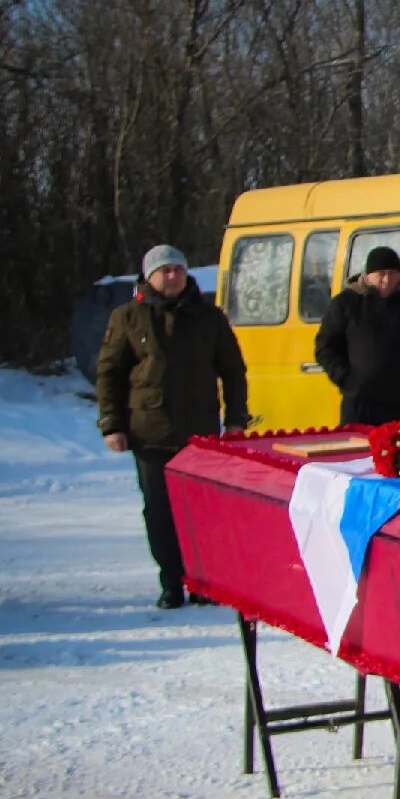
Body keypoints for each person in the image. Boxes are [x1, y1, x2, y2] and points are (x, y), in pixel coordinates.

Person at [96, 244, 250, 609]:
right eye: (163, 271)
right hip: (150, 432)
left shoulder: (209, 317)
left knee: (201, 511)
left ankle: (202, 581)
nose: (171, 277)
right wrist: (112, 425)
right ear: (148, 276)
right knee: (160, 510)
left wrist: (236, 419)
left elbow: (232, 369)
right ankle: (171, 580)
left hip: (200, 435)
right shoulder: (128, 318)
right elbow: (109, 374)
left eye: (177, 270)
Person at [314, 245, 400, 426]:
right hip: (360, 403)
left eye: (392, 274)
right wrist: (346, 379)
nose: (386, 280)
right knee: (360, 452)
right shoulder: (346, 303)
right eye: (381, 274)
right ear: (368, 275)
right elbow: (326, 346)